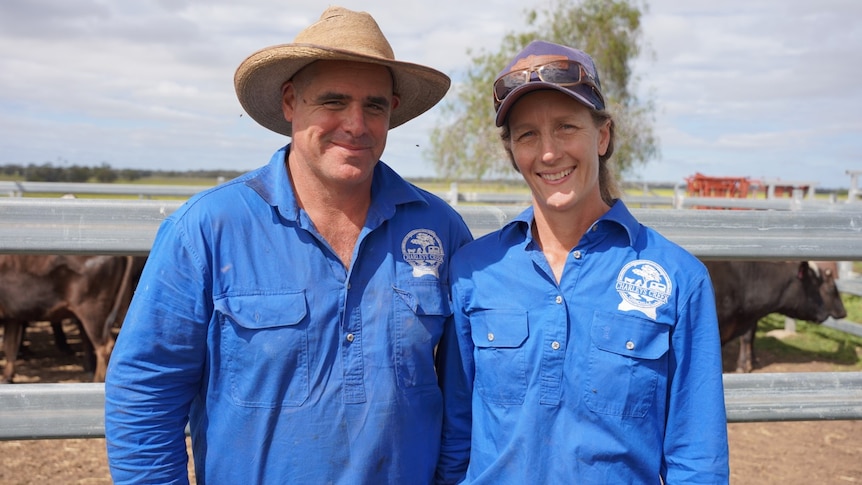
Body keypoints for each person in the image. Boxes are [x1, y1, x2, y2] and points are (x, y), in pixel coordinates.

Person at [104, 6, 472, 484]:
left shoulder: (437, 230)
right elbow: (144, 393)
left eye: (374, 106)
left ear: (392, 112)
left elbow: (463, 399)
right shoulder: (209, 229)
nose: (356, 124)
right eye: (333, 102)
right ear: (289, 102)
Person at [438, 40, 730, 483]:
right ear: (512, 153)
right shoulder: (474, 272)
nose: (549, 152)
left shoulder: (678, 279)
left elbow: (698, 457)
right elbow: (455, 438)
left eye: (567, 127)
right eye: (527, 135)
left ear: (603, 136)